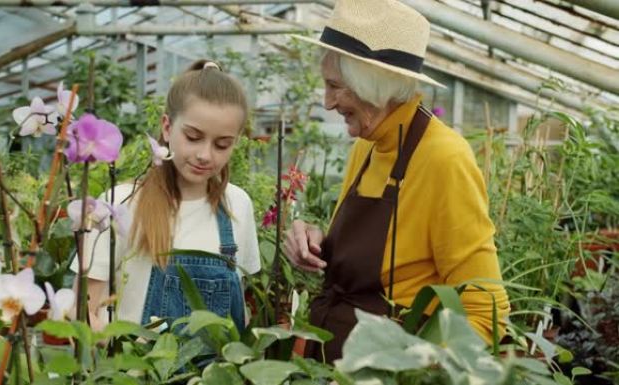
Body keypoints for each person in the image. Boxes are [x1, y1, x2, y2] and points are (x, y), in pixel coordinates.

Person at [284, 0, 510, 363]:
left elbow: (486, 310)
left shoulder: (444, 158)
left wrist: (414, 373)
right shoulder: (369, 148)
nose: (327, 102)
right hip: (330, 362)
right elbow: (373, 264)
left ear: (372, 84)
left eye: (334, 86)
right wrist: (315, 243)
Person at [71, 59, 261, 332]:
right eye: (193, 137)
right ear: (167, 127)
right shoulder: (120, 204)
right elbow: (83, 311)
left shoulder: (237, 205)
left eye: (222, 144)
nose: (205, 155)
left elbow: (242, 306)